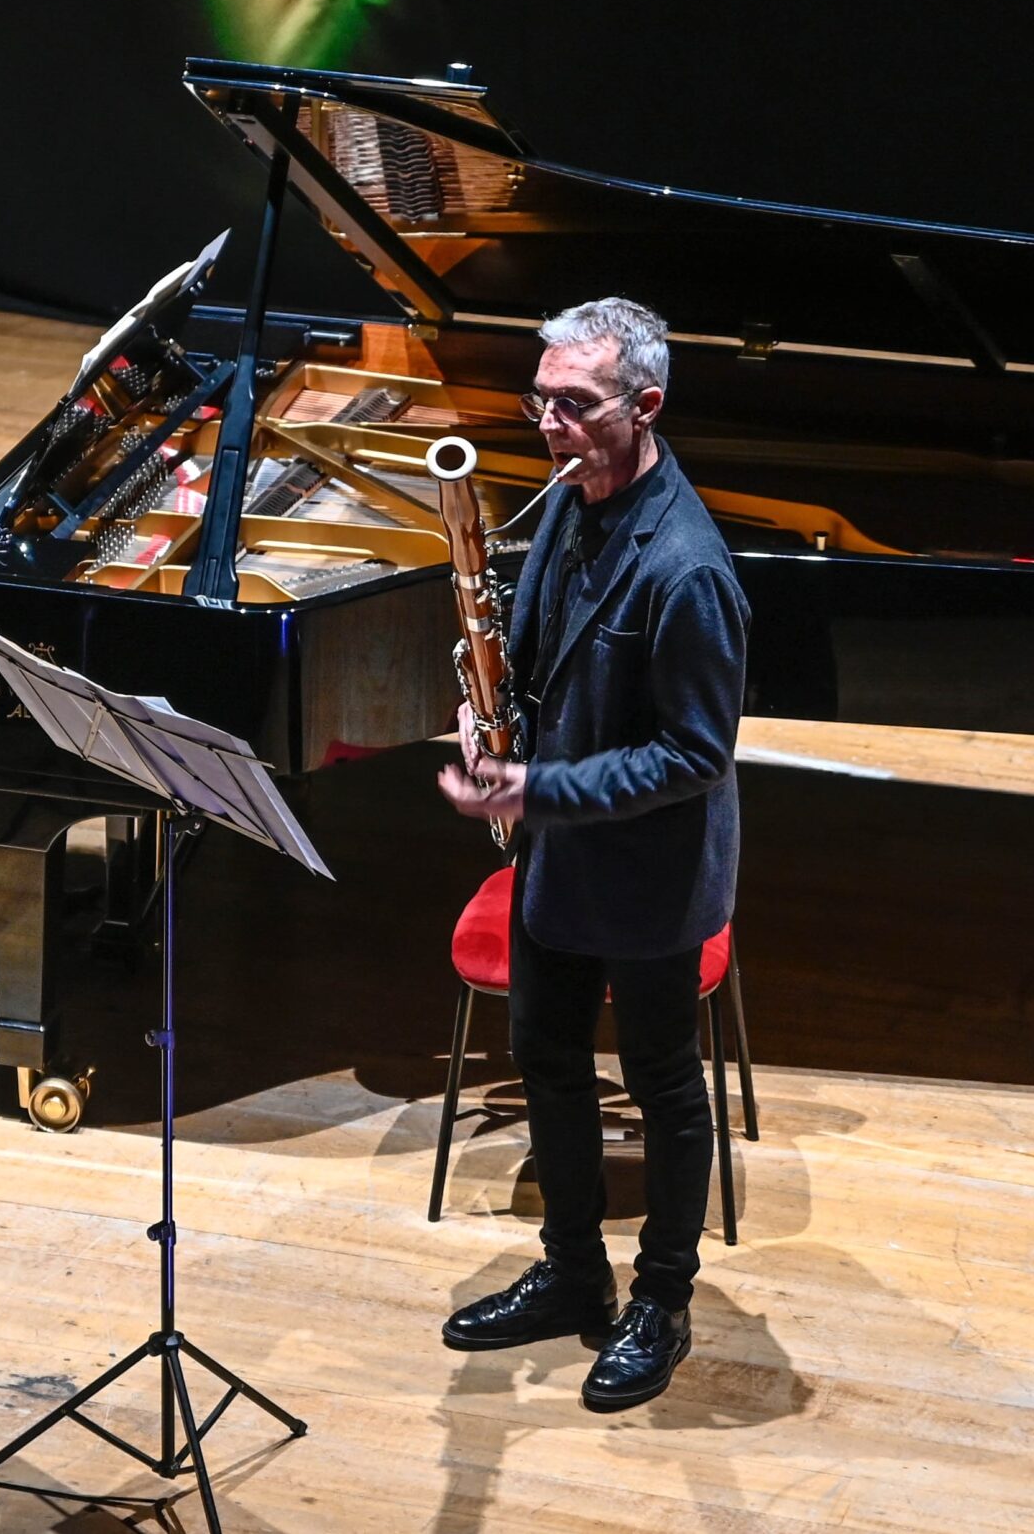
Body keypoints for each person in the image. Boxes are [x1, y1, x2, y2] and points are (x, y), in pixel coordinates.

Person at [435, 295, 748, 1412]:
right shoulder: (572, 501)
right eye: (540, 401)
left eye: (572, 405)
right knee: (548, 1057)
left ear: (644, 405)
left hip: (650, 870)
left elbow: (695, 754)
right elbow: (529, 658)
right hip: (558, 857)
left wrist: (539, 787)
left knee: (662, 1084)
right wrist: (489, 716)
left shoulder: (688, 569)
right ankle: (574, 1269)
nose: (547, 425)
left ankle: (662, 1298)